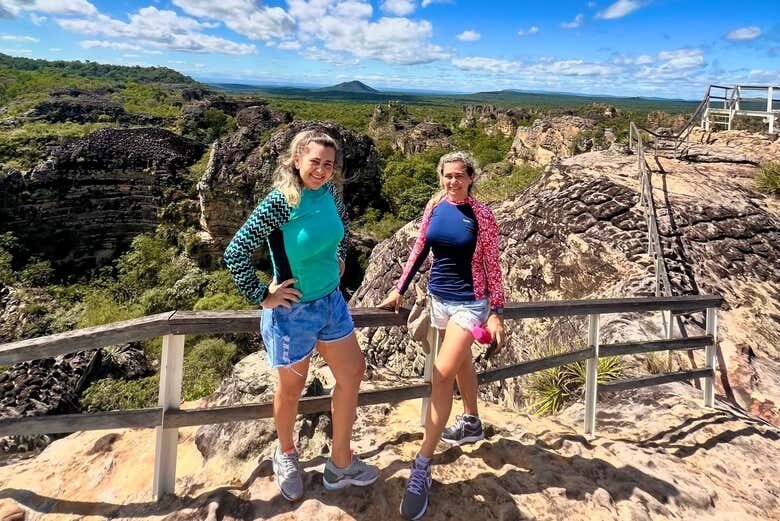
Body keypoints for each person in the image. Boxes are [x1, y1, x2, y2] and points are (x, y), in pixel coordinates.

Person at [224, 129, 378, 502]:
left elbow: (342, 231)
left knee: (352, 373)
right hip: (293, 313)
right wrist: (263, 295)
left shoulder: (331, 196)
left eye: (328, 164)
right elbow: (236, 251)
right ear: (296, 160)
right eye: (314, 162)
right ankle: (287, 453)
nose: (322, 170)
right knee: (291, 389)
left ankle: (341, 461)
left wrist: (340, 258)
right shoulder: (281, 202)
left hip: (332, 303)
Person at [379, 151, 506, 520]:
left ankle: (422, 464)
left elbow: (493, 266)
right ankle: (471, 421)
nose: (453, 181)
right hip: (438, 300)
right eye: (447, 176)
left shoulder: (482, 216)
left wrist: (496, 313)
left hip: (470, 303)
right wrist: (400, 288)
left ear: (471, 177)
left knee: (441, 373)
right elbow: (421, 247)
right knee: (462, 361)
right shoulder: (435, 204)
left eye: (459, 176)